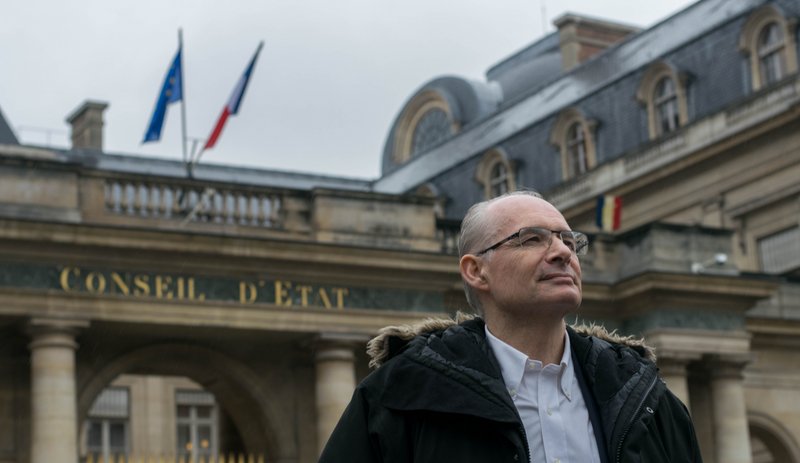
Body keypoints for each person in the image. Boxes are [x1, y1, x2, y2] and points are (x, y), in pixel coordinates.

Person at [319, 190, 702, 462]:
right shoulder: (397, 397)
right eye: (531, 239)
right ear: (476, 271)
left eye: (569, 241)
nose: (562, 252)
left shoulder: (650, 400)